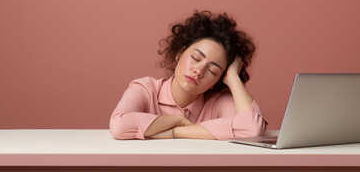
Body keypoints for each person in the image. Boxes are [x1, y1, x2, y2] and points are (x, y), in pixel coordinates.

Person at [109, 10, 267, 140]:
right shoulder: (145, 89)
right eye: (196, 58)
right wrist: (178, 120)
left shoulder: (218, 101)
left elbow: (252, 129)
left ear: (216, 81)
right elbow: (119, 125)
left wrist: (233, 77)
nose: (199, 71)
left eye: (213, 70)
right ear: (179, 54)